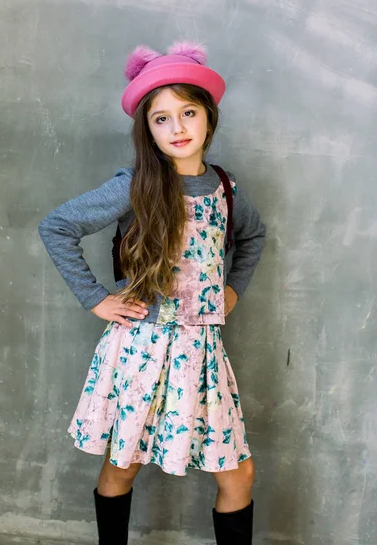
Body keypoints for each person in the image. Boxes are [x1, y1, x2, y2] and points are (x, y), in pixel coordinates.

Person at [38, 41, 266, 545]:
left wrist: (232, 290)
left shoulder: (226, 189)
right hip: (140, 351)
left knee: (239, 476)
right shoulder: (135, 185)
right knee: (123, 466)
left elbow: (252, 237)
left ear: (209, 116)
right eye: (161, 119)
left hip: (202, 354)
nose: (178, 128)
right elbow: (58, 226)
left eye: (188, 113)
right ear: (147, 129)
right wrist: (96, 299)